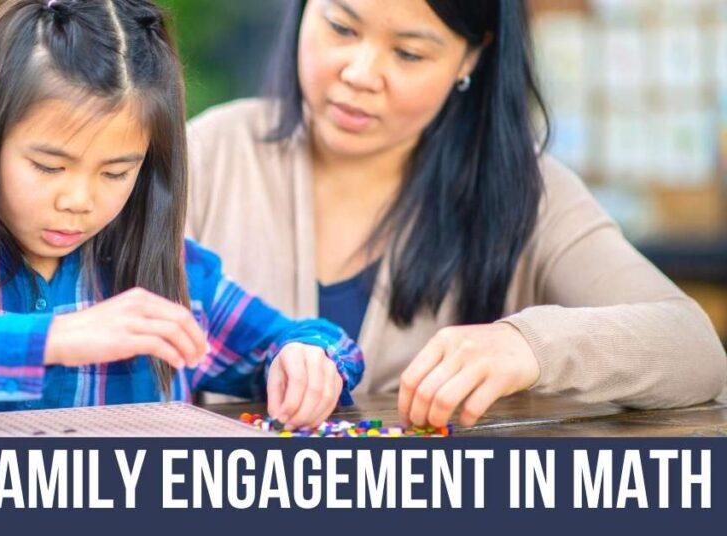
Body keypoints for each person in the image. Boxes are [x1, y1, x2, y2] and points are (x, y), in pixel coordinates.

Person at [0, 0, 363, 430]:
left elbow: (313, 341)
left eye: (116, 173)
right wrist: (52, 339)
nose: (80, 200)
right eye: (49, 166)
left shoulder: (163, 275)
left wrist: (308, 358)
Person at [186, 0, 726, 429]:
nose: (361, 72)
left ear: (471, 57)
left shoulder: (524, 193)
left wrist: (528, 345)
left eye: (409, 54)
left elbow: (695, 349)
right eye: (342, 28)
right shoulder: (208, 157)